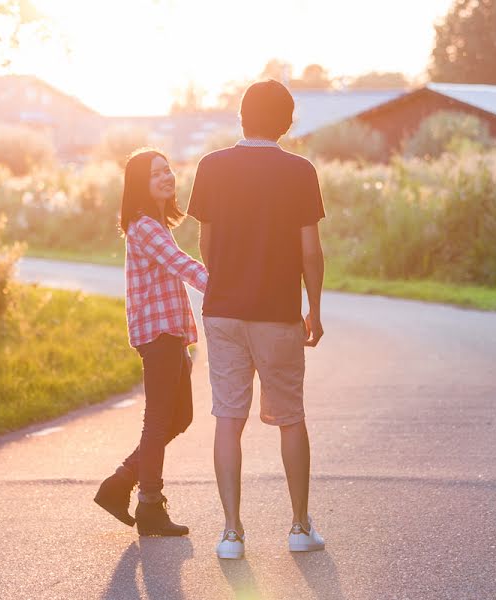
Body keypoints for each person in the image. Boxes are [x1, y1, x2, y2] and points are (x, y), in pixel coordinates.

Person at [187, 79, 326, 559]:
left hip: (222, 310)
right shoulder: (300, 171)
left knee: (228, 417)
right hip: (277, 313)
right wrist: (316, 309)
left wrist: (223, 279)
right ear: (286, 122)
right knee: (290, 418)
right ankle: (299, 527)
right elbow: (311, 250)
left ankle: (231, 533)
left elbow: (205, 243)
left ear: (241, 116)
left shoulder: (211, 166)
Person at [94, 149, 208, 537]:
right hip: (158, 335)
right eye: (156, 173)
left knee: (180, 417)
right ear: (140, 184)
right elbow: (183, 265)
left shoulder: (157, 225)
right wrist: (229, 289)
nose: (167, 177)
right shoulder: (144, 226)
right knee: (160, 420)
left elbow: (177, 265)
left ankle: (121, 481)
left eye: (168, 170)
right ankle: (149, 505)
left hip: (171, 333)